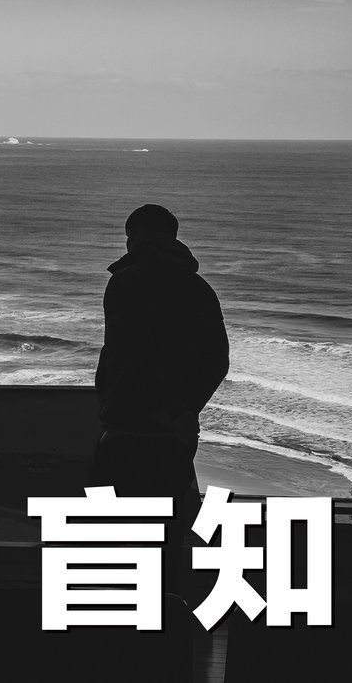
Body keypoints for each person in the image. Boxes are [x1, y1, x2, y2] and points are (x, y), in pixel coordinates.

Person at [90, 204, 229, 590]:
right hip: (176, 433)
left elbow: (127, 355)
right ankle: (164, 613)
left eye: (129, 236)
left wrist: (138, 409)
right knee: (166, 533)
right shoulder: (200, 289)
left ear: (137, 236)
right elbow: (217, 362)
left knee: (112, 532)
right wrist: (184, 410)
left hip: (129, 424)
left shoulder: (127, 282)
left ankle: (117, 612)